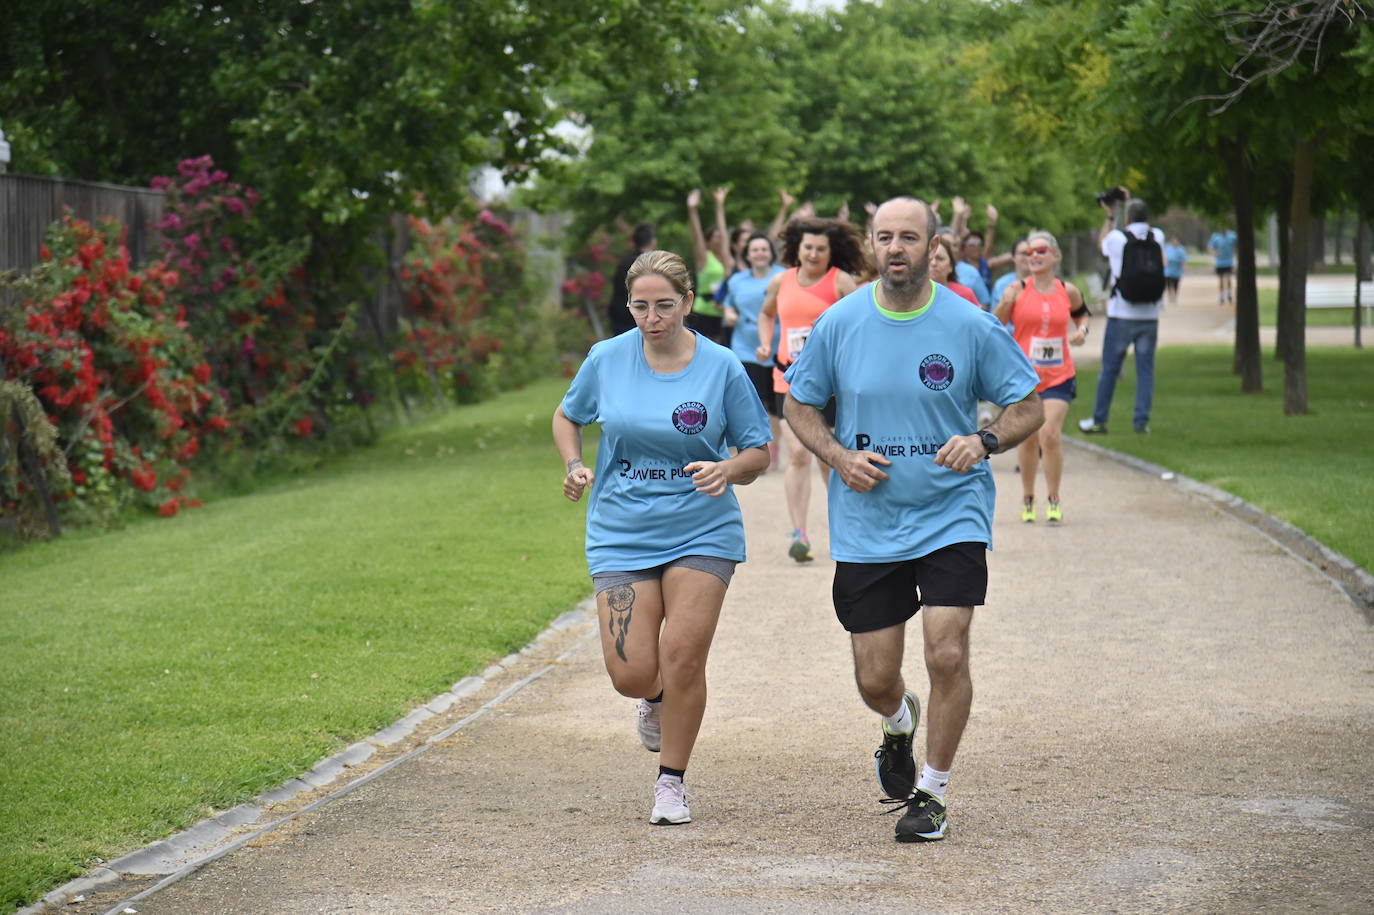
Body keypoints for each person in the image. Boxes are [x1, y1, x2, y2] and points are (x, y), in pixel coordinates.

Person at [782, 197, 1043, 842]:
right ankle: (898, 720)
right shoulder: (840, 323)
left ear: (933, 246)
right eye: (885, 237)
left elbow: (1028, 406)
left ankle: (933, 793)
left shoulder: (971, 324)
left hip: (951, 509)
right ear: (871, 246)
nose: (896, 248)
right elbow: (798, 406)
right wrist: (840, 457)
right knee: (875, 677)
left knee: (947, 651)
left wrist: (983, 442)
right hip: (869, 518)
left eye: (910, 237)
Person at [553, 250, 771, 826]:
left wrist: (728, 469)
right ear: (629, 306)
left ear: (688, 303)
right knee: (631, 673)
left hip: (702, 525)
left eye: (665, 305)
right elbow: (566, 415)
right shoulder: (607, 358)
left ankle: (671, 784)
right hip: (622, 529)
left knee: (683, 656)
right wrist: (574, 463)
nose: (652, 318)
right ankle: (652, 702)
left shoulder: (721, 366)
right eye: (641, 306)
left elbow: (758, 451)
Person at [755, 217, 866, 563]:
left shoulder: (841, 282)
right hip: (787, 377)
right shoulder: (781, 281)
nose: (814, 253)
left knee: (827, 456)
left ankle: (842, 526)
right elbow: (766, 313)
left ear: (830, 251)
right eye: (808, 247)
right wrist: (763, 344)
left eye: (821, 248)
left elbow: (865, 317)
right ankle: (799, 533)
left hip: (830, 383)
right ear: (797, 250)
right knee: (799, 453)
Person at [994, 230, 1089, 523]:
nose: (1034, 256)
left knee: (1049, 434)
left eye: (1041, 251)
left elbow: (1082, 314)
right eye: (1030, 252)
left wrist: (1081, 331)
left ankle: (1054, 497)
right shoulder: (1017, 289)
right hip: (1025, 378)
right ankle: (1027, 497)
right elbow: (994, 326)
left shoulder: (1067, 290)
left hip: (1060, 375)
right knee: (1028, 438)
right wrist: (1006, 302)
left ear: (1055, 256)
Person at [1079, 197, 1165, 436]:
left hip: (1122, 314)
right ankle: (1140, 422)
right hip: (1150, 315)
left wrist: (1110, 216)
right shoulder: (1157, 236)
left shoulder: (1117, 238)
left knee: (1109, 369)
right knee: (1145, 370)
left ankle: (1099, 419)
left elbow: (1101, 244)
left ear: (1126, 218)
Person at [722, 233, 786, 467]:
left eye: (764, 249)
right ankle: (761, 447)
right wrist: (729, 315)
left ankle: (775, 447)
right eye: (755, 249)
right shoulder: (737, 280)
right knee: (755, 402)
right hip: (746, 348)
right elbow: (728, 306)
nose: (760, 253)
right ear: (747, 254)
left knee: (776, 405)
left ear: (771, 252)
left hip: (778, 348)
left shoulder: (783, 276)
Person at [686, 188, 733, 342]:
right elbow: (696, 237)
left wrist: (720, 205)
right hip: (703, 312)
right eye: (715, 237)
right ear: (709, 241)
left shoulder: (727, 259)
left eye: (720, 237)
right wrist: (693, 210)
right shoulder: (705, 257)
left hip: (723, 312)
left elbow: (725, 233)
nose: (719, 240)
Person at [607, 223, 656, 335]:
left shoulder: (624, 263)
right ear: (653, 242)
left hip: (620, 316)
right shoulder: (651, 265)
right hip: (640, 318)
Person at [929, 234, 980, 306]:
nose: (933, 263)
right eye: (929, 259)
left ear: (951, 266)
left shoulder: (965, 294)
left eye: (940, 259)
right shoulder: (912, 294)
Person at [991, 238, 1031, 304]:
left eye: (1029, 253)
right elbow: (994, 313)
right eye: (1023, 253)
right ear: (1013, 257)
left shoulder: (1043, 284)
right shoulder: (1002, 284)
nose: (1027, 257)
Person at [1207, 224, 1237, 305]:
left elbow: (1237, 245)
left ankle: (1229, 294)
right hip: (1220, 262)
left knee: (1228, 278)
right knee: (1220, 279)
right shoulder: (1215, 237)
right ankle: (1221, 296)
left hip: (1229, 261)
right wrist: (1215, 252)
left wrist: (1234, 252)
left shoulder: (1232, 236)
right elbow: (1210, 248)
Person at [1163, 235, 1188, 305]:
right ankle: (1170, 296)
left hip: (1177, 270)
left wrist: (1183, 268)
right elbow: (1164, 258)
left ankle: (1175, 296)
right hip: (1168, 270)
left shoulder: (1181, 249)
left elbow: (1183, 260)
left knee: (1175, 284)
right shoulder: (1167, 248)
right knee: (1169, 284)